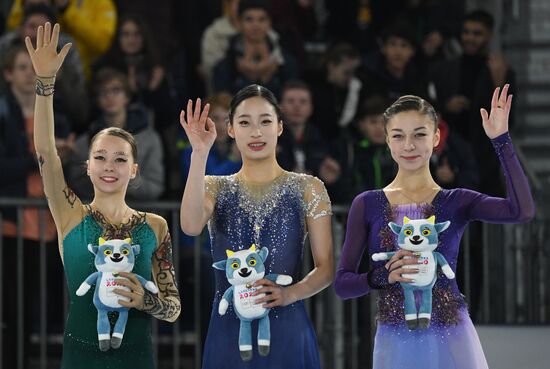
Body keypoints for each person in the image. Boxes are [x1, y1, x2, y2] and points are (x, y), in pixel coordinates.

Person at [334, 87, 534, 369]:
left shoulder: (456, 201)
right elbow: (342, 285)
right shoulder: (367, 203)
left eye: (419, 134)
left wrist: (501, 141)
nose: (409, 145)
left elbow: (521, 211)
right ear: (388, 141)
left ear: (436, 137)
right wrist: (383, 276)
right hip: (396, 338)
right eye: (398, 136)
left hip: (451, 335)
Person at [25, 22, 180, 368]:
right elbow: (46, 151)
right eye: (100, 157)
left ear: (134, 170)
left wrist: (145, 301)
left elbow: (172, 307)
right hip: (81, 357)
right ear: (88, 167)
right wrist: (45, 85)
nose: (109, 166)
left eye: (120, 158)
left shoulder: (155, 226)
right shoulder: (71, 215)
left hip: (136, 357)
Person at [179, 84, 333, 368]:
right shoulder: (215, 186)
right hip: (228, 331)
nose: (256, 132)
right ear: (232, 129)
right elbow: (189, 226)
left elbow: (326, 268)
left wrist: (290, 293)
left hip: (288, 325)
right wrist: (199, 153)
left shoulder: (308, 187)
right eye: (245, 122)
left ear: (280, 127)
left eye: (265, 121)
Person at [67, 67, 165, 202]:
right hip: (99, 218)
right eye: (103, 92)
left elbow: (155, 187)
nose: (110, 96)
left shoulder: (149, 138)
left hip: (139, 216)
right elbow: (76, 185)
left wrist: (122, 177)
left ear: (127, 96)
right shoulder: (85, 141)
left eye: (116, 90)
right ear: (97, 99)